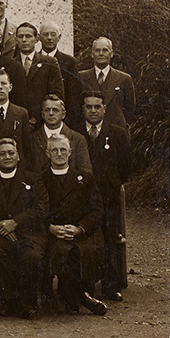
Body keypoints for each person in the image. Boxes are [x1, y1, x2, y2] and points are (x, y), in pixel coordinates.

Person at [0, 138, 48, 319]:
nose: (7, 157)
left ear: (18, 156)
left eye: (11, 153)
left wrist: (16, 222)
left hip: (30, 232)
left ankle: (26, 302)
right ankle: (8, 300)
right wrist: (3, 225)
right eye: (2, 153)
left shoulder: (32, 179)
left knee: (31, 256)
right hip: (0, 231)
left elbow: (41, 207)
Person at [42, 134, 107, 315]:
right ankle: (80, 297)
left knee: (82, 250)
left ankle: (71, 296)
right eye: (54, 150)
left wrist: (79, 229)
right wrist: (52, 228)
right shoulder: (41, 179)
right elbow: (37, 210)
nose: (59, 153)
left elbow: (96, 210)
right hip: (54, 232)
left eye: (63, 149)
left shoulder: (84, 177)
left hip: (81, 232)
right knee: (62, 251)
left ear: (70, 152)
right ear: (48, 153)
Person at [82, 90, 132, 302]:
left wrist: (113, 182)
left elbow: (126, 165)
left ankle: (110, 285)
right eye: (88, 107)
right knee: (86, 237)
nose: (93, 111)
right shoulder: (76, 133)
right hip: (83, 195)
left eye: (97, 107)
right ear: (82, 109)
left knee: (110, 236)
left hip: (108, 194)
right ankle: (85, 285)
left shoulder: (118, 133)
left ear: (104, 108)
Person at [78, 37, 137, 131]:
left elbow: (130, 110)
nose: (101, 54)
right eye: (97, 50)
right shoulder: (81, 77)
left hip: (116, 131)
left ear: (111, 53)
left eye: (105, 50)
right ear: (92, 54)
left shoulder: (125, 79)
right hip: (88, 131)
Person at [12, 22, 64, 126]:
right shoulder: (10, 64)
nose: (24, 40)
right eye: (21, 36)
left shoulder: (50, 62)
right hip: (17, 121)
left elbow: (56, 93)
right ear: (16, 40)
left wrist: (37, 116)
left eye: (28, 36)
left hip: (42, 121)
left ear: (37, 39)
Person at [30, 94, 92, 173]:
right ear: (42, 114)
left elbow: (85, 172)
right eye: (47, 110)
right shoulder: (32, 139)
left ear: (63, 114)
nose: (51, 113)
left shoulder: (78, 139)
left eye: (55, 110)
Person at [38, 21, 82, 127]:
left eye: (53, 34)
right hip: (38, 120)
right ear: (39, 37)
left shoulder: (70, 62)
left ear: (59, 37)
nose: (49, 38)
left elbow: (74, 96)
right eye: (45, 34)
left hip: (62, 121)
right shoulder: (34, 60)